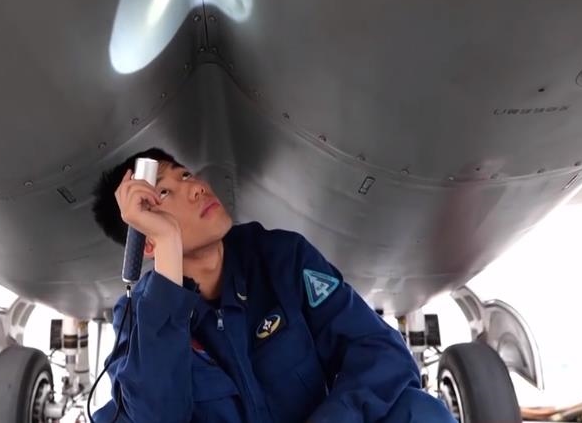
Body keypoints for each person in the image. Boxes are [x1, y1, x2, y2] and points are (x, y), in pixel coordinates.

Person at [89, 148, 456, 423]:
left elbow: (379, 353)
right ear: (146, 242)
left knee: (420, 412)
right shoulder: (141, 319)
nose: (196, 187)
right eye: (165, 193)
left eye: (185, 174)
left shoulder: (281, 258)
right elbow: (154, 415)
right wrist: (169, 244)